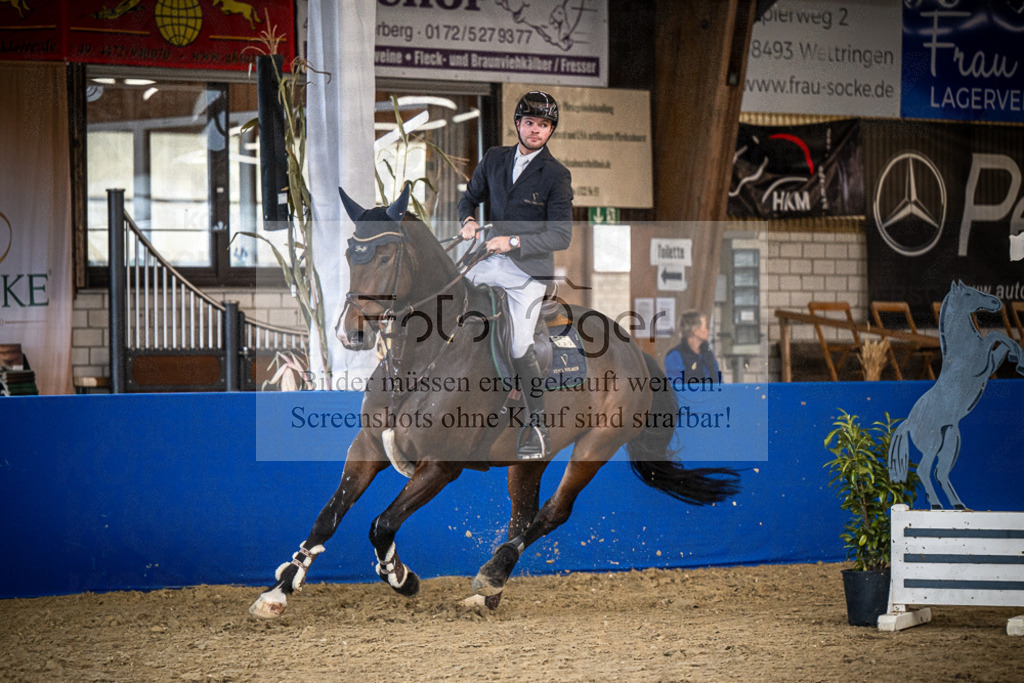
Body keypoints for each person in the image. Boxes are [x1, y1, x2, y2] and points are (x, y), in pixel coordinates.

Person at [457, 90, 573, 460]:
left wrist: (514, 240)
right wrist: (469, 220)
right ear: (518, 124)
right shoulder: (494, 158)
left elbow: (562, 235)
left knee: (520, 343)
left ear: (550, 131)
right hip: (489, 260)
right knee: (453, 306)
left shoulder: (556, 174)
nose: (536, 130)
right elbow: (468, 196)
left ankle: (536, 425)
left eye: (543, 125)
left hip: (529, 272)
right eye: (530, 123)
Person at [665, 311, 720, 385]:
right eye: (705, 327)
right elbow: (677, 388)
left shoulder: (708, 353)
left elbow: (718, 381)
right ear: (695, 331)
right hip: (689, 396)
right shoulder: (675, 355)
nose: (708, 331)